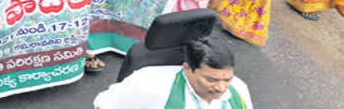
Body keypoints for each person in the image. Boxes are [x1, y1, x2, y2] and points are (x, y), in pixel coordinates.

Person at [93, 36, 253, 109]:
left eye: (227, 80)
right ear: (188, 68)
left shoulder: (238, 88)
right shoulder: (149, 83)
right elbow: (104, 105)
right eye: (211, 80)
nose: (221, 88)